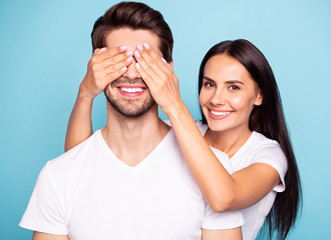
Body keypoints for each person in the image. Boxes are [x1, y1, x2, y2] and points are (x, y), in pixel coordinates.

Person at [19, 2, 245, 240]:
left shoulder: (213, 172)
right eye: (120, 60)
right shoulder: (58, 176)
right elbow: (80, 162)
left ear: (168, 69)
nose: (132, 74)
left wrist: (172, 99)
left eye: (145, 61)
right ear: (96, 67)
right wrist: (85, 91)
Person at [65, 38, 302, 240]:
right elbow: (78, 166)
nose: (217, 99)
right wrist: (86, 93)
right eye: (209, 84)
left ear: (259, 95)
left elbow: (223, 198)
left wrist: (173, 104)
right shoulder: (176, 132)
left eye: (233, 88)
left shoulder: (268, 156)